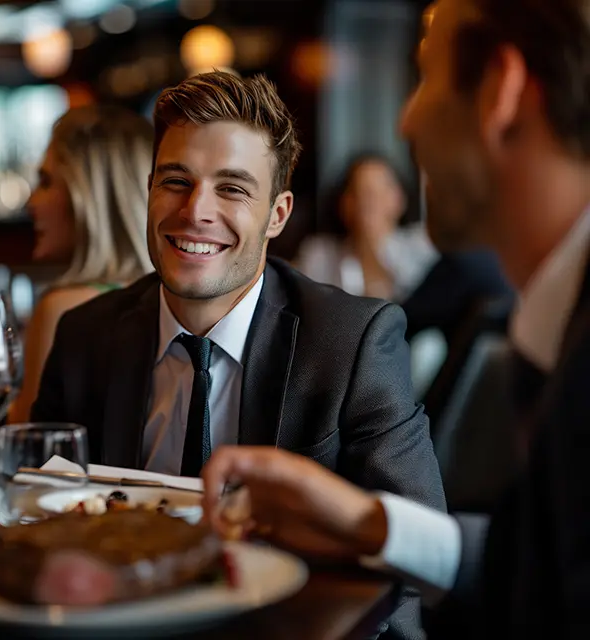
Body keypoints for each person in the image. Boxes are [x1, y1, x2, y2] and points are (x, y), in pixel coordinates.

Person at [202, 1, 590, 637]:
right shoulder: (555, 323)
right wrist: (370, 525)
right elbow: (538, 572)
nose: (406, 122)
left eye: (425, 78)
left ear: (501, 90)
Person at [32, 71, 444, 639]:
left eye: (232, 188)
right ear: (148, 190)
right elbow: (36, 517)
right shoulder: (84, 336)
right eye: (176, 181)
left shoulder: (352, 342)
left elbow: (416, 562)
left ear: (277, 215)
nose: (196, 211)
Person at [9, 105, 155, 423]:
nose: (31, 202)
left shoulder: (63, 308)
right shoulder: (164, 299)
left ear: (91, 197)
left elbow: (25, 448)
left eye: (46, 182)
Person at [295, 154, 437, 301]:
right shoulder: (319, 255)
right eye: (360, 191)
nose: (369, 200)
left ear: (400, 199)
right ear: (344, 203)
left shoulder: (422, 248)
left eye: (380, 191)